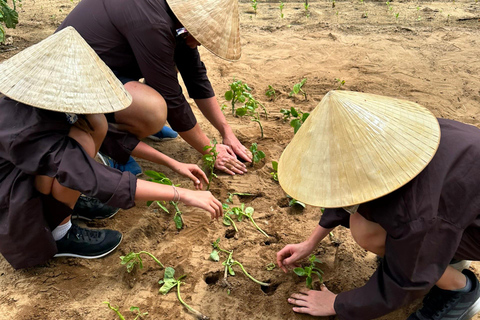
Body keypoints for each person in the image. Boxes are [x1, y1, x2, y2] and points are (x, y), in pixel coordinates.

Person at [0, 27, 222, 270]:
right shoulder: (28, 131)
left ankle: (67, 204)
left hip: (33, 171)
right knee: (80, 143)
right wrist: (182, 194)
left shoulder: (38, 98)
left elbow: (113, 140)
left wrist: (173, 163)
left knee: (95, 122)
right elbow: (96, 177)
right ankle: (59, 233)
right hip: (14, 200)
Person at [276, 90, 480, 320]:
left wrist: (338, 303)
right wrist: (310, 242)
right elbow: (348, 182)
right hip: (463, 205)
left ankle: (461, 291)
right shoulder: (400, 136)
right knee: (364, 223)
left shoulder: (417, 212)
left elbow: (406, 280)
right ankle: (448, 254)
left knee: (377, 237)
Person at [57, 0, 253, 177]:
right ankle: (107, 144)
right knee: (152, 111)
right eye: (205, 37)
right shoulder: (153, 23)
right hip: (70, 80)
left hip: (103, 69)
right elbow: (172, 99)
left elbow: (195, 76)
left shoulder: (174, 18)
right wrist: (210, 150)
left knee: (170, 64)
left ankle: (130, 125)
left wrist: (226, 131)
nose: (202, 43)